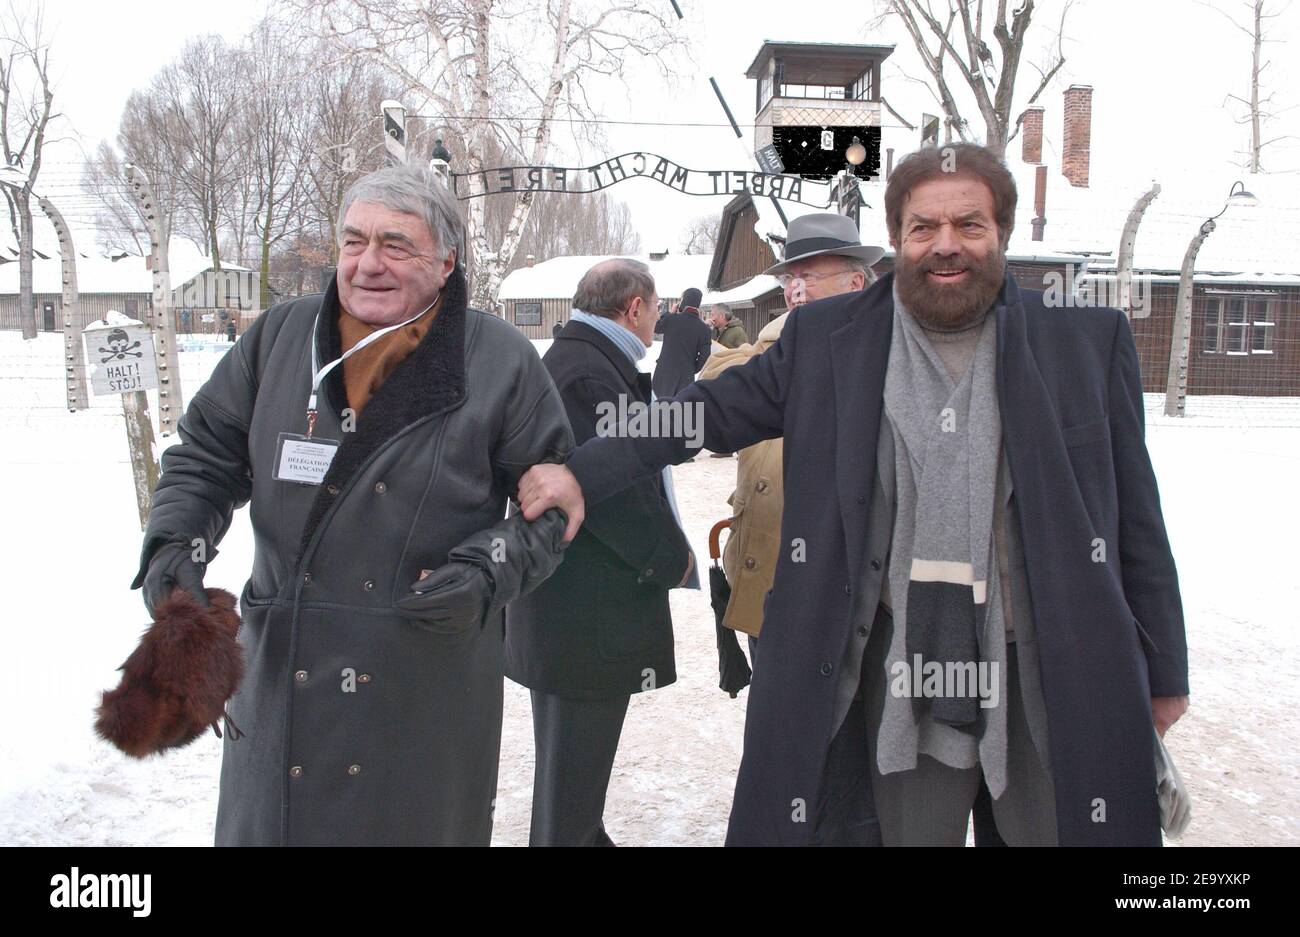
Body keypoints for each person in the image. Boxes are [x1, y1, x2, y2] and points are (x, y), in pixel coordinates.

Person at [518, 143, 1189, 847]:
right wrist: (581, 472)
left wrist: (1164, 666)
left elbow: (1137, 514)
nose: (945, 245)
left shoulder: (1081, 339)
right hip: (901, 667)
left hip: (1048, 666)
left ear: (1002, 234)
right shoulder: (826, 337)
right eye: (924, 228)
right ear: (898, 239)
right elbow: (700, 414)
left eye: (969, 225)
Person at [131, 164, 574, 846]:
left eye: (396, 245)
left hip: (421, 675)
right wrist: (172, 550)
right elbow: (204, 455)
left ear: (446, 260)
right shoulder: (278, 339)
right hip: (286, 669)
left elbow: (548, 508)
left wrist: (489, 570)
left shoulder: (501, 360)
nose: (368, 263)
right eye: (353, 241)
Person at [507, 259, 697, 846]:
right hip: (586, 616)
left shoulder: (584, 358)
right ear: (634, 307)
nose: (660, 318)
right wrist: (676, 560)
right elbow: (617, 496)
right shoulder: (589, 373)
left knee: (570, 782)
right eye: (657, 307)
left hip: (570, 614)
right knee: (571, 789)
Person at [651, 286, 712, 399]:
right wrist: (691, 369)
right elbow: (704, 357)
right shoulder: (705, 330)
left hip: (664, 374)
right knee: (679, 413)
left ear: (683, 302)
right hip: (686, 378)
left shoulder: (671, 319)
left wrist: (669, 312)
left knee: (657, 411)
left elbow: (656, 327)